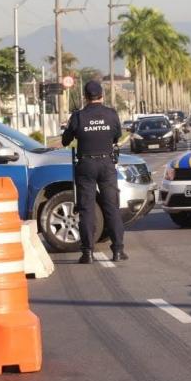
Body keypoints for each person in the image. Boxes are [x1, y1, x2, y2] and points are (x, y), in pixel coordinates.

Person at [61, 80, 126, 264]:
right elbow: (116, 135)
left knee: (86, 209)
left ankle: (87, 252)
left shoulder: (78, 116)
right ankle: (118, 250)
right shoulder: (111, 114)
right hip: (107, 163)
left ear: (85, 96)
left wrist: (69, 126)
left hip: (86, 165)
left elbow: (66, 141)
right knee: (111, 206)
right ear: (102, 96)